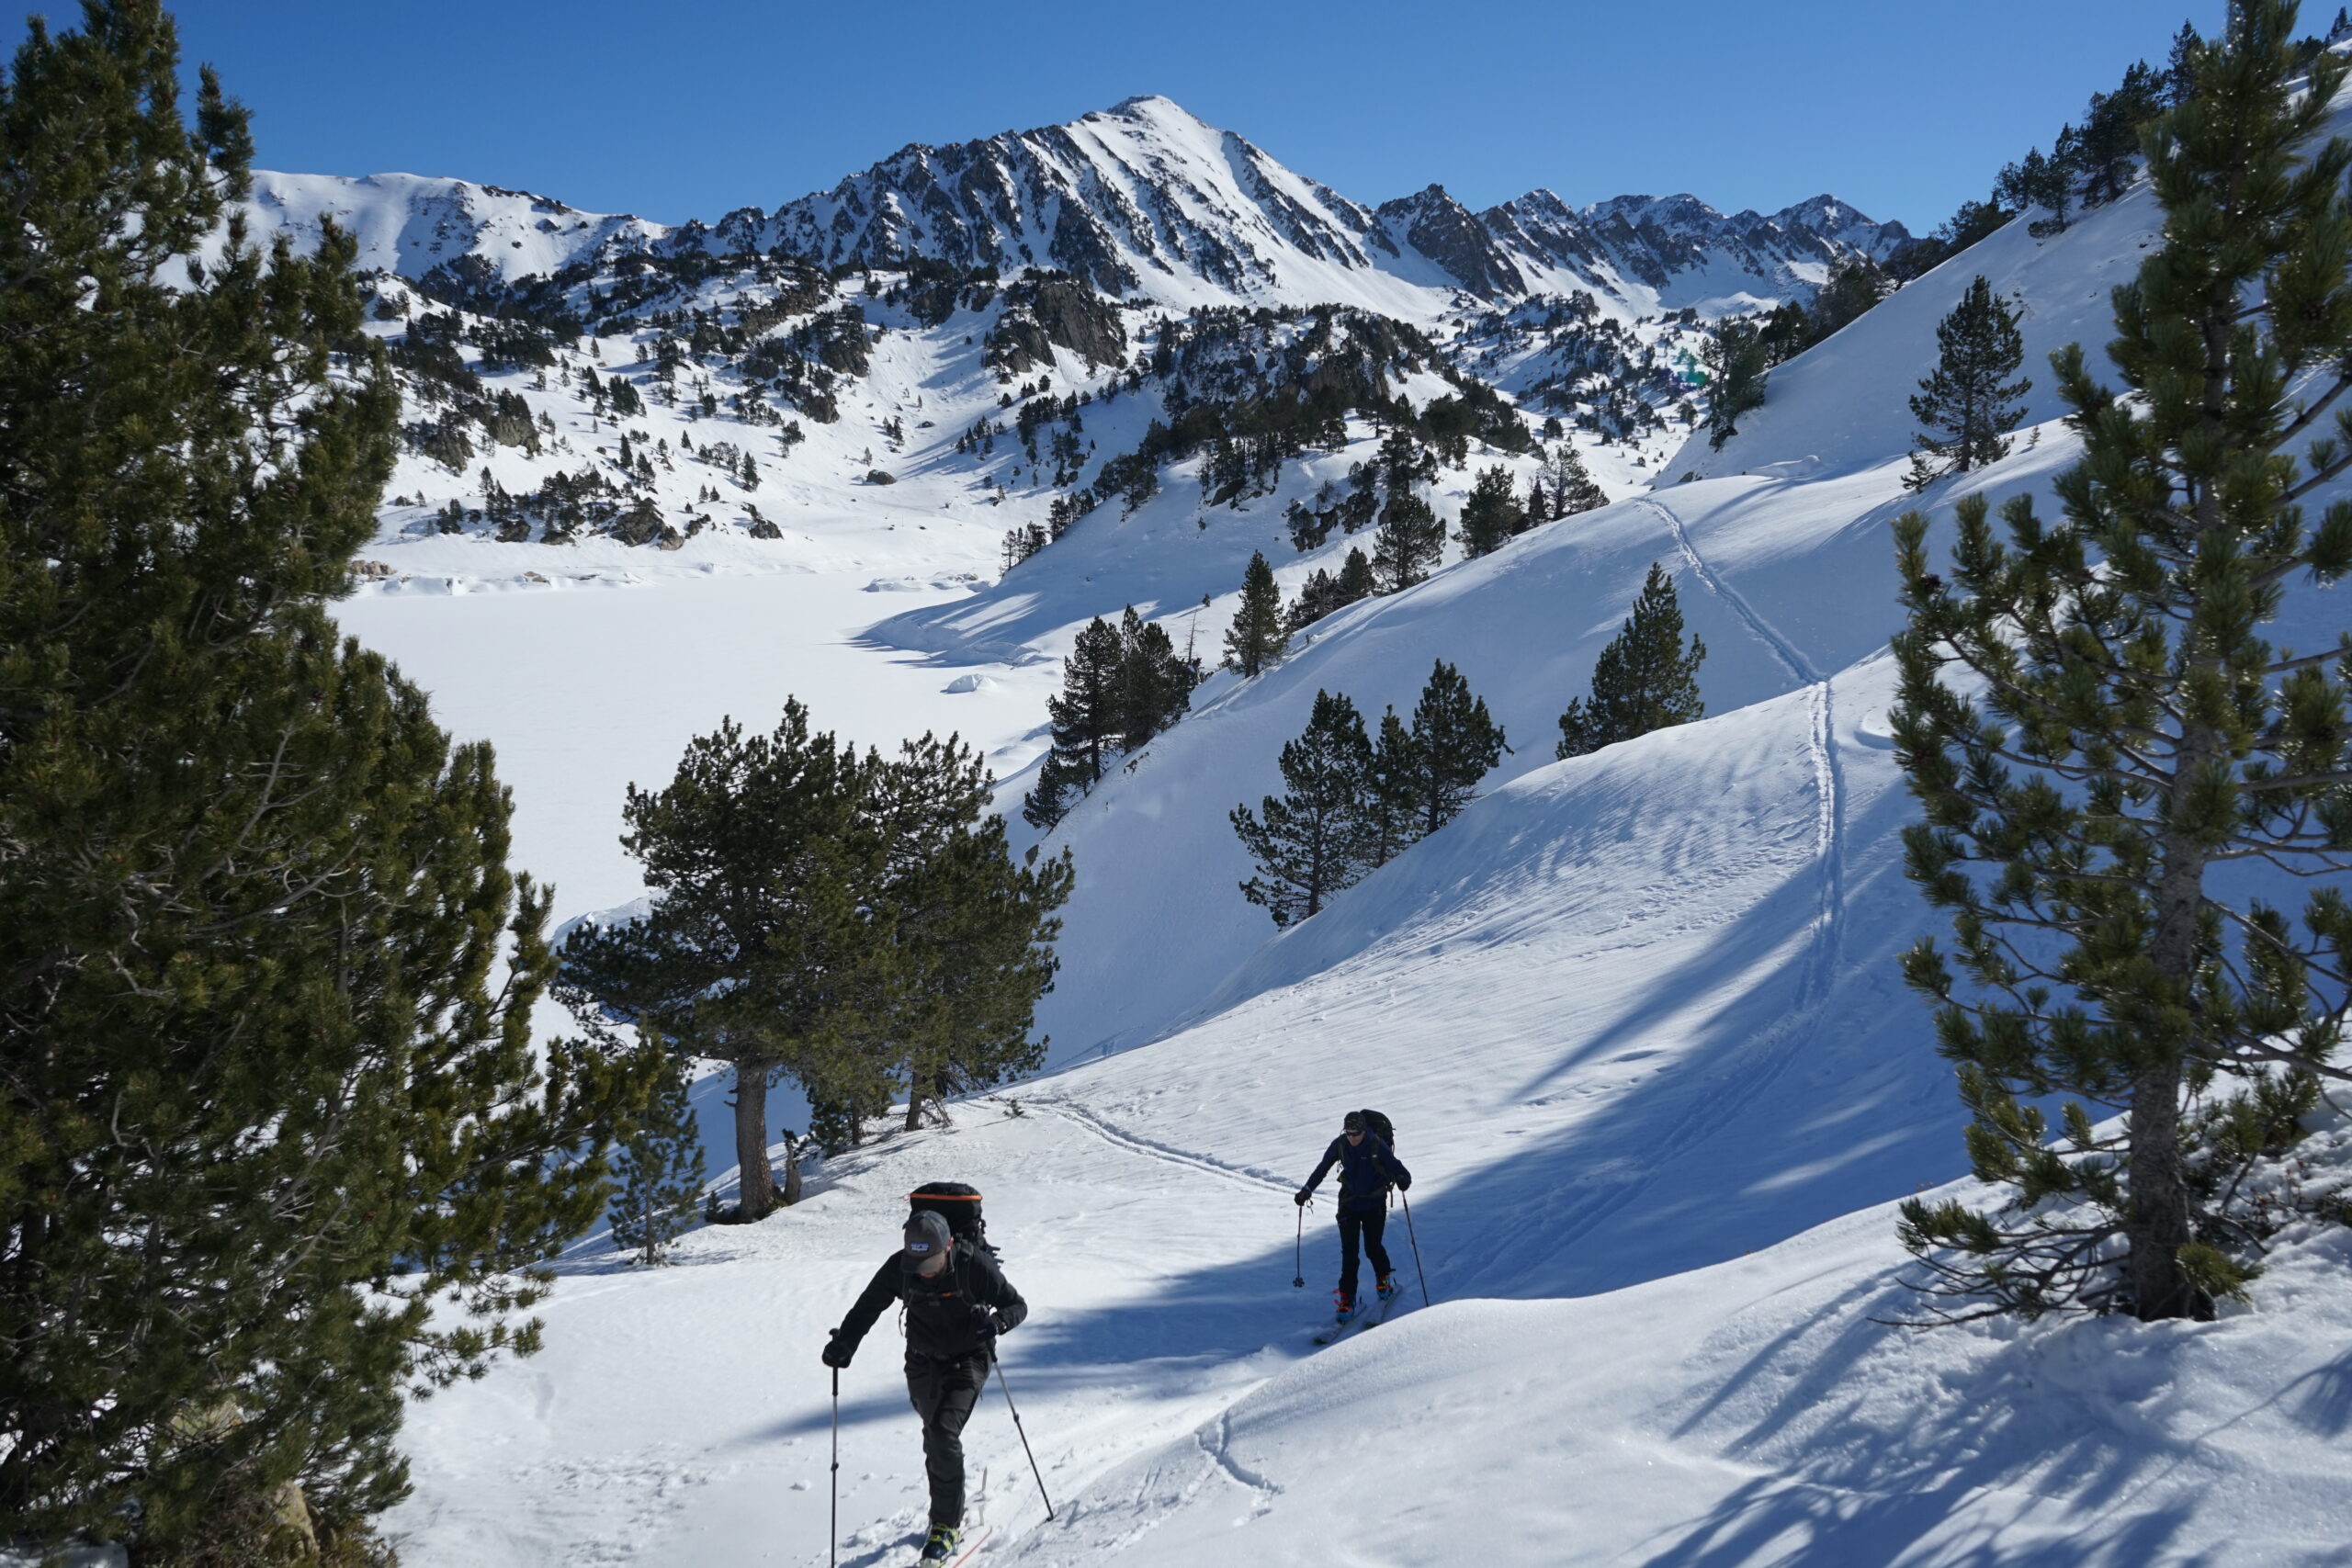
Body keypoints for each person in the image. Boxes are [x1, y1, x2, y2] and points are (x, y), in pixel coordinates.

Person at [823, 1210, 1027, 1564]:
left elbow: (1017, 1305)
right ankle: (948, 1500)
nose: (925, 1270)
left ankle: (945, 1525)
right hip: (921, 1363)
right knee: (934, 1435)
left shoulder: (971, 1264)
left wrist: (996, 1323)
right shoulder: (900, 1266)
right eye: (919, 1263)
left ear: (949, 1245)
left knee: (943, 1432)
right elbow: (868, 1306)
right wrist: (846, 1344)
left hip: (968, 1359)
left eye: (932, 1262)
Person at [1295, 1110, 1411, 1317]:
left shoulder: (1375, 1144)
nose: (1352, 1138)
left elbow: (1397, 1167)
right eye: (1348, 1133)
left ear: (1363, 1130)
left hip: (1374, 1204)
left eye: (1355, 1133)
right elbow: (1322, 1169)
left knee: (1372, 1248)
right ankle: (1347, 1301)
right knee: (1349, 1255)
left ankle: (1384, 1284)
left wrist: (1403, 1179)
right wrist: (1307, 1190)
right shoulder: (1340, 1144)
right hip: (1349, 1204)